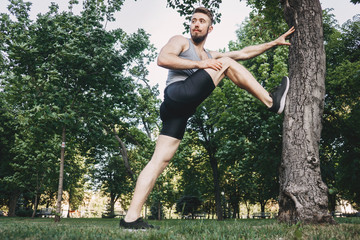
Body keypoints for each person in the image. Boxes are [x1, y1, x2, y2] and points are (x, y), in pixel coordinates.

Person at [120, 7, 295, 230]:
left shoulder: (212, 55)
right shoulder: (180, 42)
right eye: (193, 20)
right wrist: (199, 64)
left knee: (159, 162)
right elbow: (163, 58)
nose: (196, 24)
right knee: (227, 64)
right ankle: (271, 102)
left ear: (209, 28)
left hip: (179, 112)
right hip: (177, 94)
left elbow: (243, 53)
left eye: (201, 21)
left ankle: (130, 219)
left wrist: (272, 43)